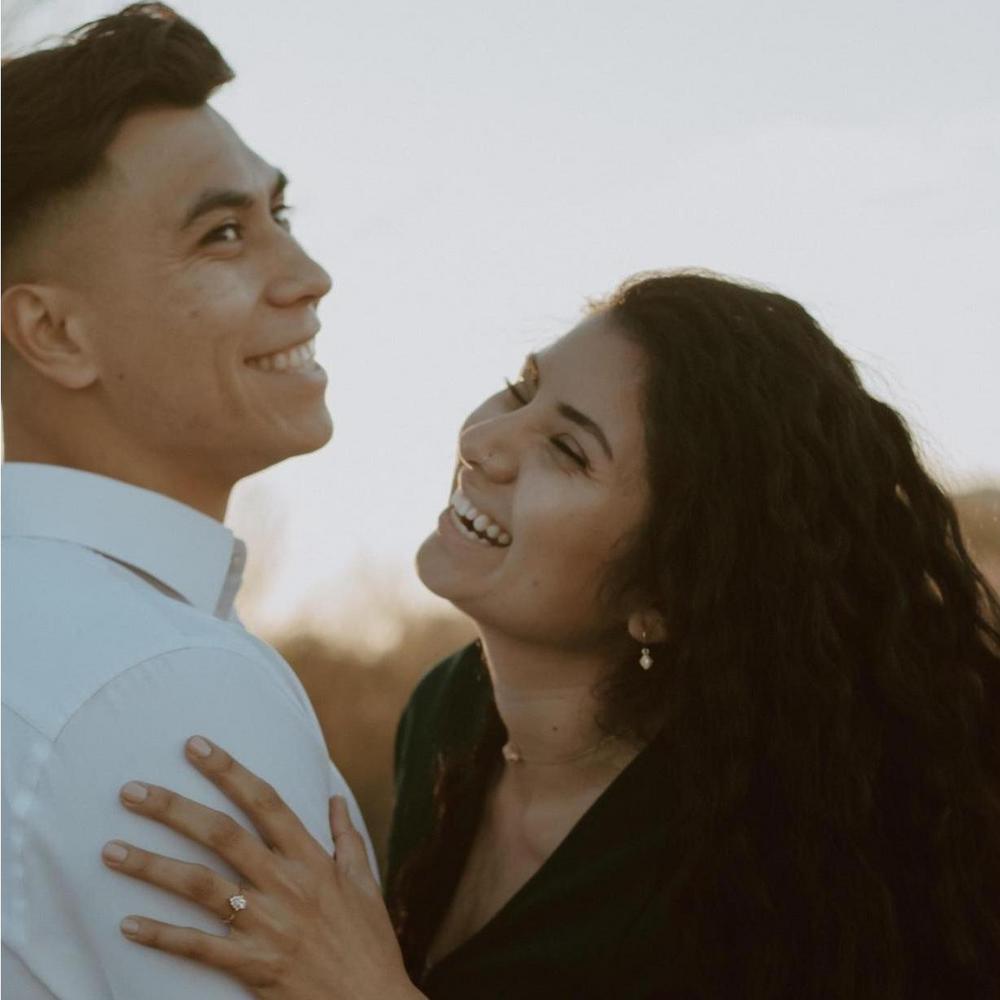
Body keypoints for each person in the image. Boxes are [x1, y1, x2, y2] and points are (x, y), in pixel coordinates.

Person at [98, 272, 1000, 998]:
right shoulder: (446, 713)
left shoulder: (772, 860)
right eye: (523, 389)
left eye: (568, 450)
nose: (487, 441)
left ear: (666, 594)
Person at [1, 5, 373, 998]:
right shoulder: (165, 683)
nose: (308, 277)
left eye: (280, 215)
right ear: (55, 333)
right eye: (223, 234)